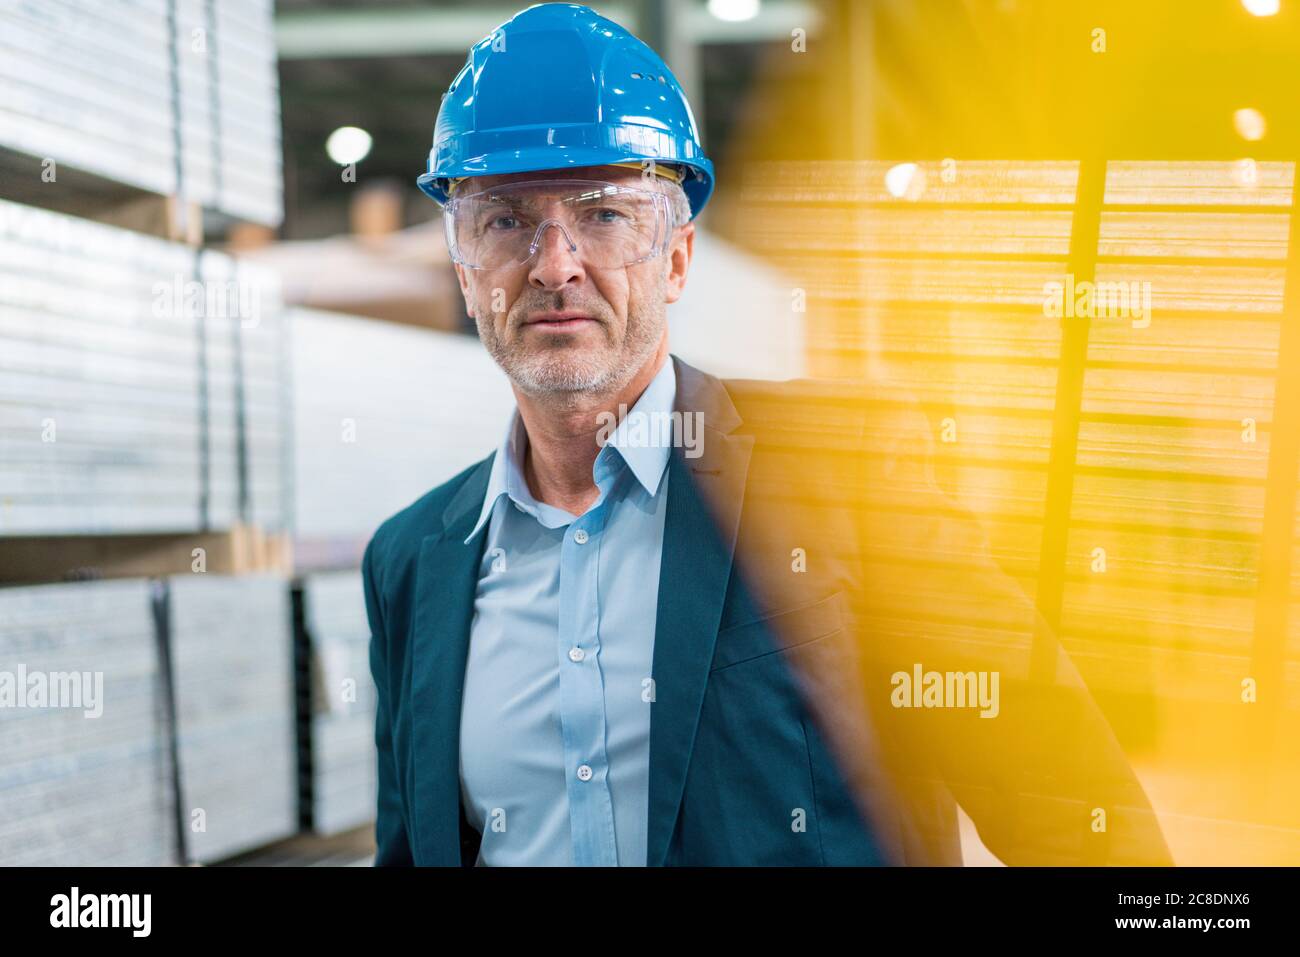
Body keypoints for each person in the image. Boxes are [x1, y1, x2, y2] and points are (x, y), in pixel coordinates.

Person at [363, 2, 1172, 867]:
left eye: (605, 215)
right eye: (505, 219)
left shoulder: (847, 482)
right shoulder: (414, 563)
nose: (555, 264)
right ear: (463, 265)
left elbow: (1079, 816)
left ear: (675, 257)